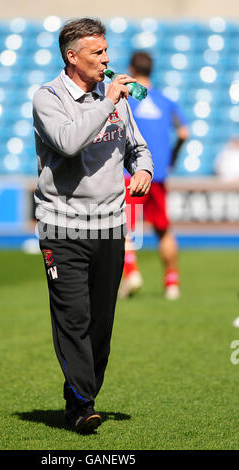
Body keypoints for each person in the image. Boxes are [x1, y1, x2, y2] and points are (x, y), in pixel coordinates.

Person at [32, 18, 153, 434]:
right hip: (62, 229)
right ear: (72, 56)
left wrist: (144, 172)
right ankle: (82, 406)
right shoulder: (47, 97)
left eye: (106, 51)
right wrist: (108, 101)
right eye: (97, 53)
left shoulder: (114, 97)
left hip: (110, 227)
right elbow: (68, 142)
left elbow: (138, 147)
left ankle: (81, 396)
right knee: (74, 319)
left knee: (101, 323)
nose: (106, 59)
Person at [119, 51, 189, 300]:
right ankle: (172, 283)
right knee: (163, 229)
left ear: (131, 67)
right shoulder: (163, 99)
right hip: (158, 174)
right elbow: (183, 133)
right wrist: (171, 158)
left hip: (133, 172)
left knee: (124, 229)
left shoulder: (127, 97)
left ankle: (132, 273)